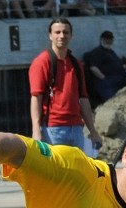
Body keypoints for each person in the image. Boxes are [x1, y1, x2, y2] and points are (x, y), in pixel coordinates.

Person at [28, 18, 102, 153]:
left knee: (75, 172)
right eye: (57, 32)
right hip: (52, 129)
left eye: (65, 32)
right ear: (50, 35)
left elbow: (83, 99)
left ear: (71, 35)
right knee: (54, 172)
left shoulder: (76, 64)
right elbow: (36, 97)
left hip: (77, 128)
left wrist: (93, 131)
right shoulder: (42, 62)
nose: (62, 36)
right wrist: (36, 130)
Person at [83, 30, 126, 106]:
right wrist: (104, 79)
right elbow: (93, 68)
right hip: (107, 82)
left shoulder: (111, 52)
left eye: (110, 39)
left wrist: (123, 66)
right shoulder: (97, 52)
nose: (109, 41)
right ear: (102, 39)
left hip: (120, 78)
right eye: (107, 39)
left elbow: (116, 63)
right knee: (112, 102)